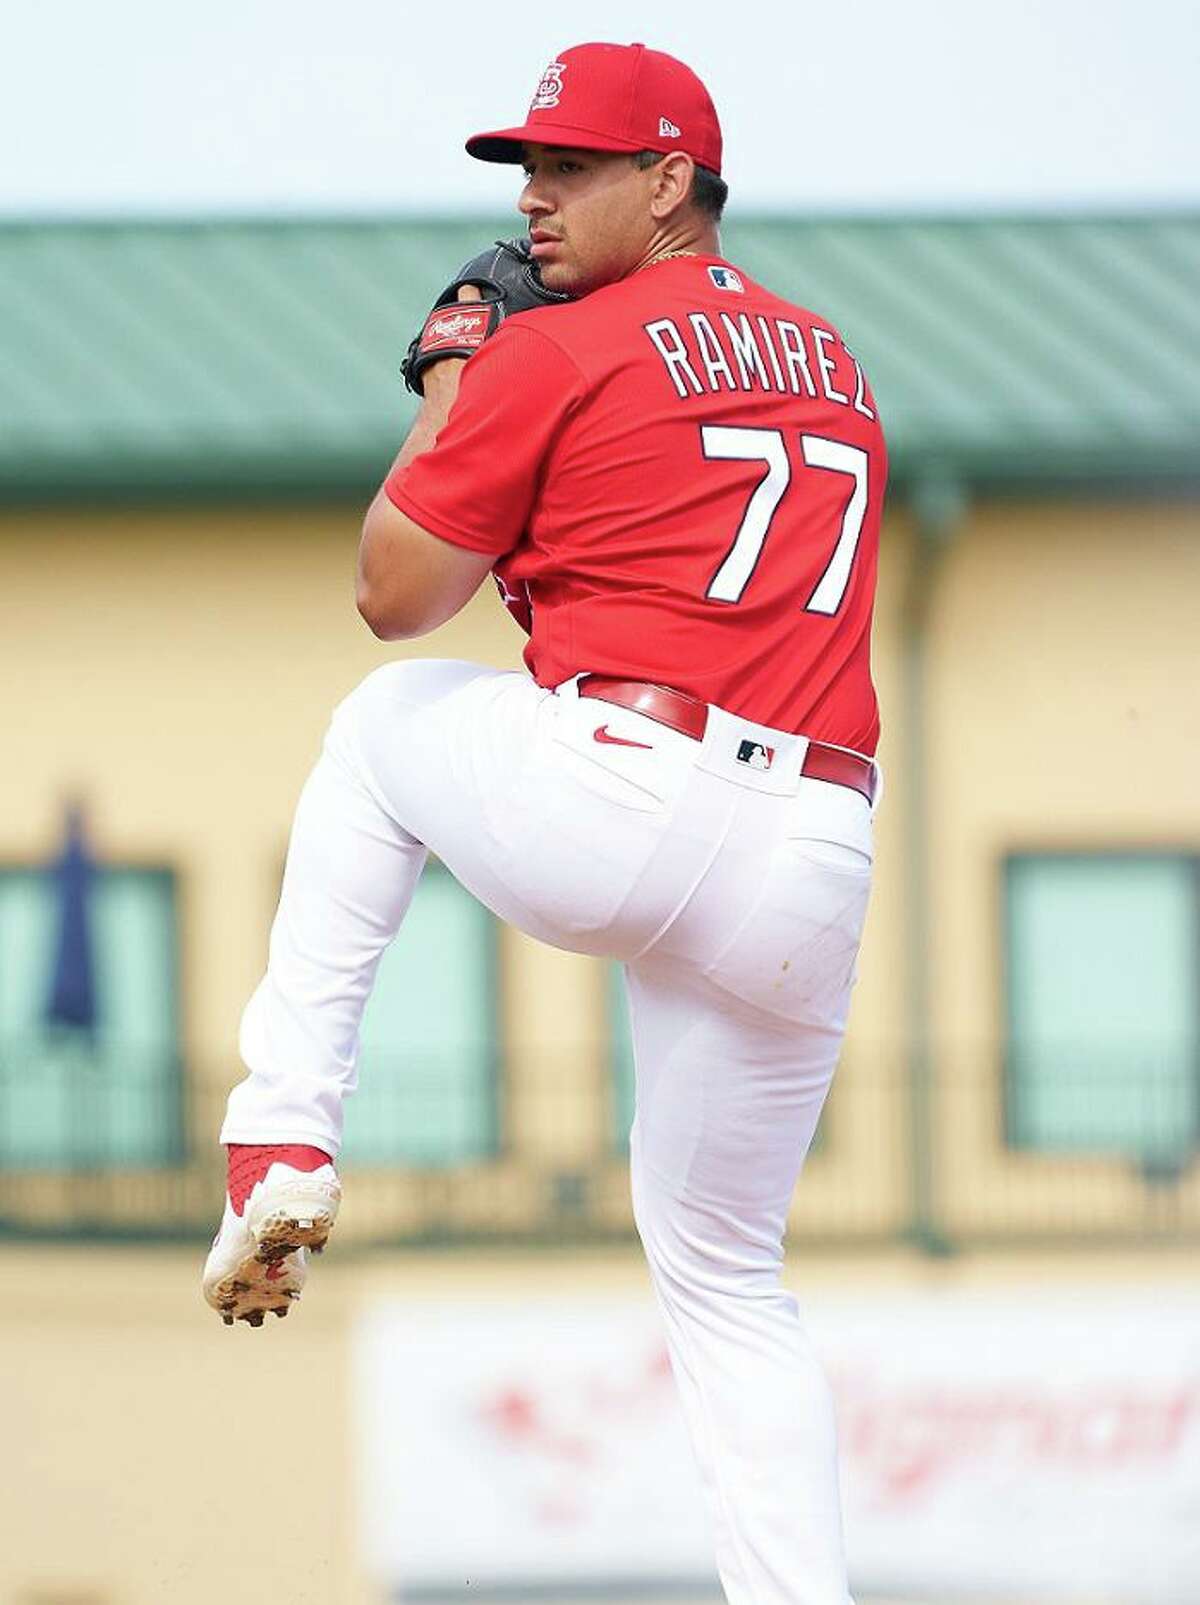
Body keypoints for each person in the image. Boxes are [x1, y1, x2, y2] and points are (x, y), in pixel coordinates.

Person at [204, 40, 886, 1605]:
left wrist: (456, 367)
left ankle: (282, 1133)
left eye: (574, 168)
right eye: (530, 167)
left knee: (378, 732)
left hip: (628, 791)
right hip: (816, 852)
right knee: (730, 1278)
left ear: (671, 185)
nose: (534, 198)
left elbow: (391, 594)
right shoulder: (835, 358)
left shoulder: (560, 348)